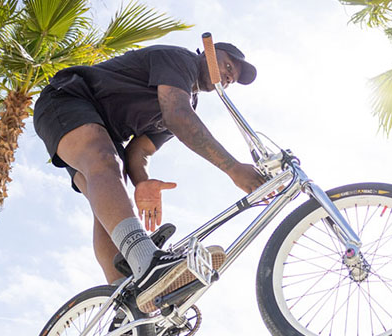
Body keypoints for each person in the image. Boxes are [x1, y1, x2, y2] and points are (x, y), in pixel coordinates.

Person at [33, 41, 265, 316]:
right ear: (208, 51)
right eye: (228, 66)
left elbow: (138, 151)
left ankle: (127, 312)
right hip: (68, 99)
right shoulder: (180, 59)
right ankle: (149, 263)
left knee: (107, 204)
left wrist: (142, 181)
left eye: (232, 78)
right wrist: (233, 168)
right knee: (105, 161)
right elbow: (178, 116)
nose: (228, 77)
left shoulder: (189, 98)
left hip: (104, 132)